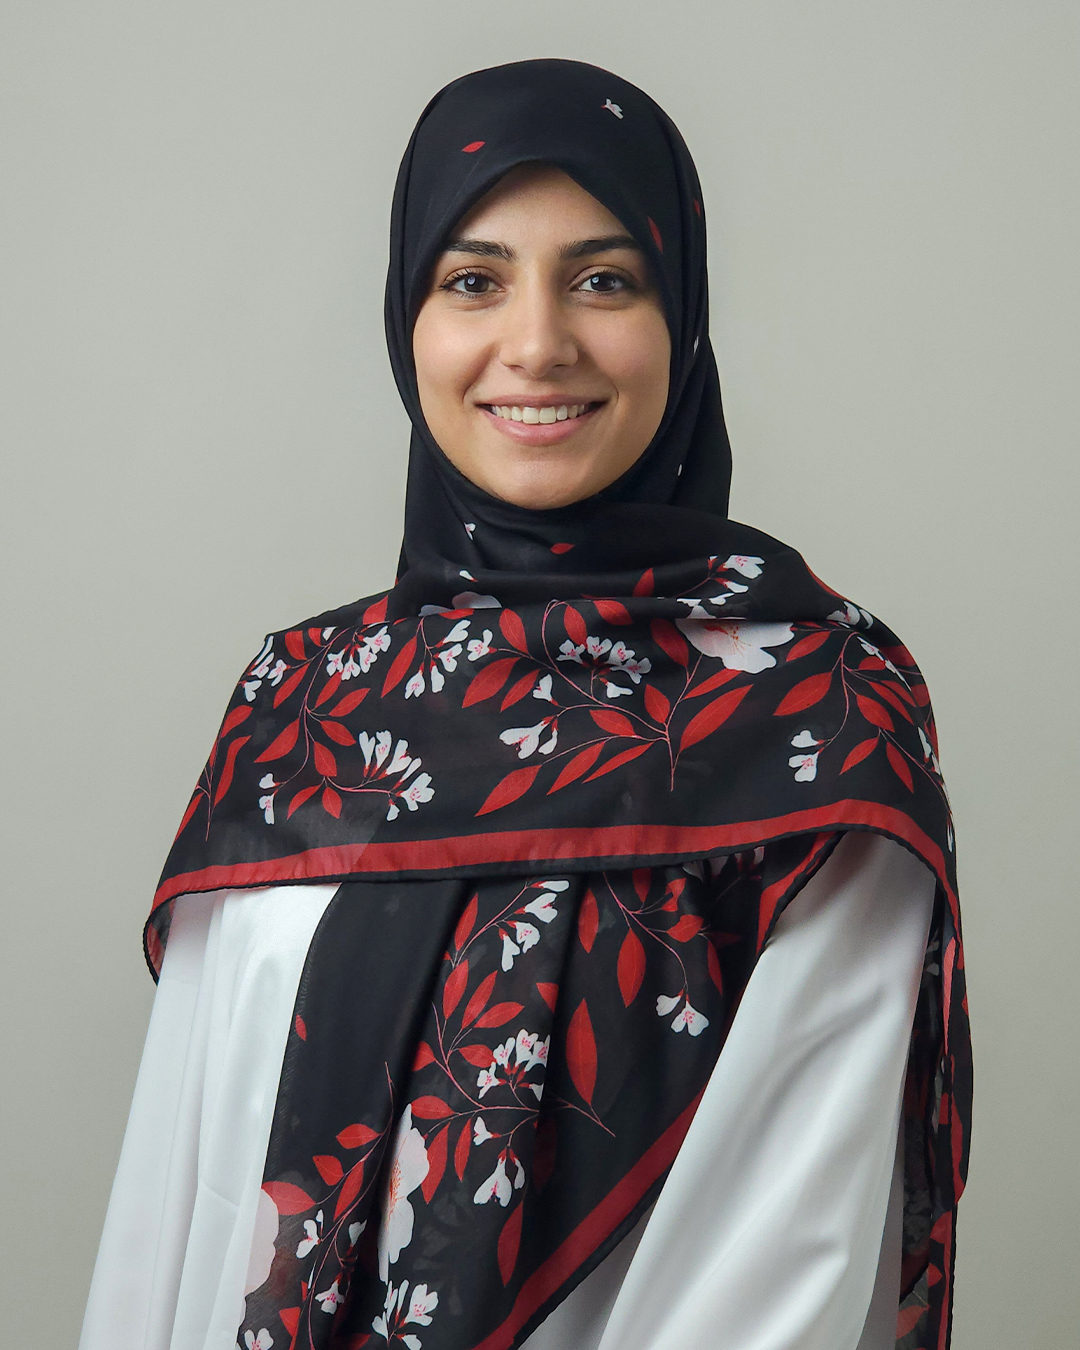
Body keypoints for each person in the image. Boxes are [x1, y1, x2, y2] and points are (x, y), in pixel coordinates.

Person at [79, 59, 970, 1350]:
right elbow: (181, 1207)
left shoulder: (816, 720)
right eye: (473, 281)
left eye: (604, 280)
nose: (539, 343)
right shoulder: (303, 708)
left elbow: (785, 1259)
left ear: (682, 316)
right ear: (409, 323)